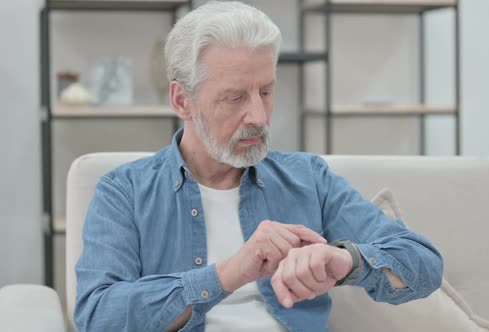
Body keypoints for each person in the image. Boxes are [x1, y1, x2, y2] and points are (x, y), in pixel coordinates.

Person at [74, 1, 443, 331]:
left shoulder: (308, 179)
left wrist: (345, 260)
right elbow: (97, 317)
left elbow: (424, 265)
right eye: (234, 97)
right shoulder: (123, 192)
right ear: (181, 100)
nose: (258, 115)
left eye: (266, 92)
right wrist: (228, 274)